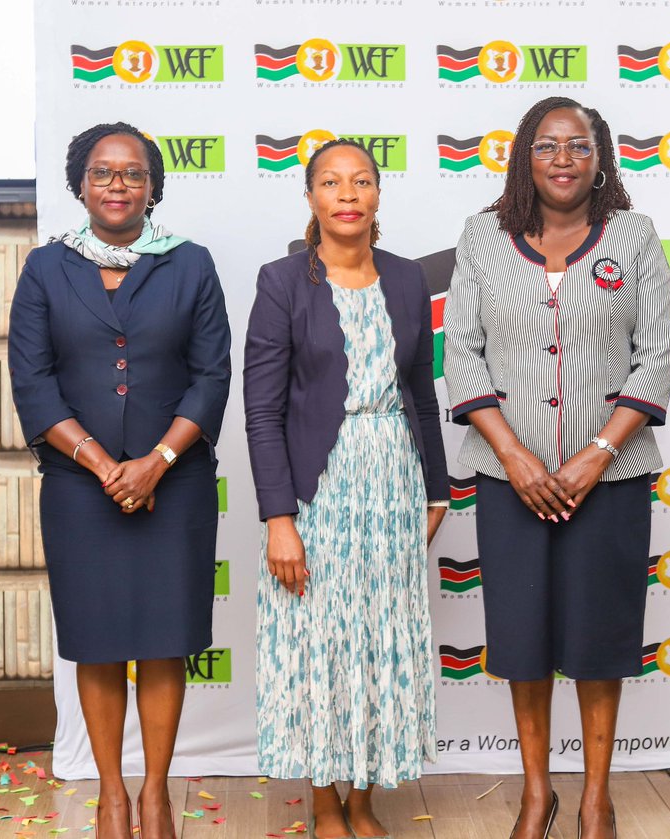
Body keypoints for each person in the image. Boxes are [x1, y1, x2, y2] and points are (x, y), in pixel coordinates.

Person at [444, 96, 670, 839]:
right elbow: (462, 350)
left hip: (612, 476)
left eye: (579, 145)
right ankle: (536, 791)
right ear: (525, 156)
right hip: (507, 477)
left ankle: (596, 797)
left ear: (600, 157)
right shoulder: (482, 235)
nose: (563, 159)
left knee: (602, 638)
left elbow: (657, 353)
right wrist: (513, 454)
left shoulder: (634, 235)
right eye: (547, 145)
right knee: (522, 639)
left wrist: (597, 453)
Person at [8, 122, 231, 839]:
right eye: (103, 172)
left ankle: (156, 794)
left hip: (177, 482)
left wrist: (156, 461)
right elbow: (33, 382)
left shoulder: (190, 264)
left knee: (165, 640)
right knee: (98, 641)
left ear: (152, 187)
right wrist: (106, 467)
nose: (117, 184)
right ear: (80, 184)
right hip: (81, 489)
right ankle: (111, 796)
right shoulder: (46, 268)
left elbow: (211, 376)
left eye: (133, 173)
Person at [244, 139, 449, 839]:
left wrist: (438, 491)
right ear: (310, 197)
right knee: (320, 641)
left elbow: (422, 394)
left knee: (378, 639)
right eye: (331, 182)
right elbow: (261, 411)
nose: (347, 193)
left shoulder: (407, 279)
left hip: (393, 479)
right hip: (318, 488)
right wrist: (279, 517)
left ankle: (364, 797)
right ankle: (325, 801)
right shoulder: (281, 282)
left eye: (361, 180)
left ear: (378, 194)